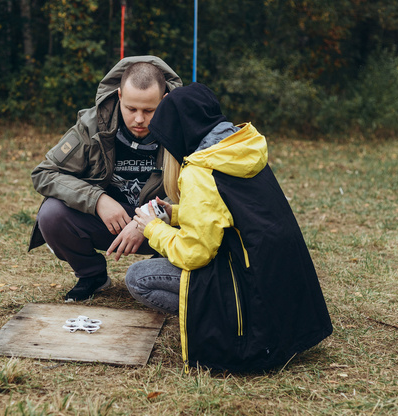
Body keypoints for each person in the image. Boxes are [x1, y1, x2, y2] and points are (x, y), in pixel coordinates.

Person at [108, 83, 333, 372]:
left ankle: (221, 324)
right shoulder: (238, 149)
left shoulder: (200, 172)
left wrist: (152, 228)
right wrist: (174, 214)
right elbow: (232, 213)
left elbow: (194, 253)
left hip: (249, 294)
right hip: (278, 289)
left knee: (139, 277)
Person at [29, 56, 183, 302]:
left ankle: (165, 265)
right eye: (131, 109)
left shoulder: (186, 126)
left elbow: (206, 191)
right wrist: (97, 199)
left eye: (149, 110)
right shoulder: (92, 124)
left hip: (167, 222)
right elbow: (44, 173)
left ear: (165, 100)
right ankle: (92, 276)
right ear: (119, 96)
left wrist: (151, 218)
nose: (139, 119)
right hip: (112, 221)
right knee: (51, 214)